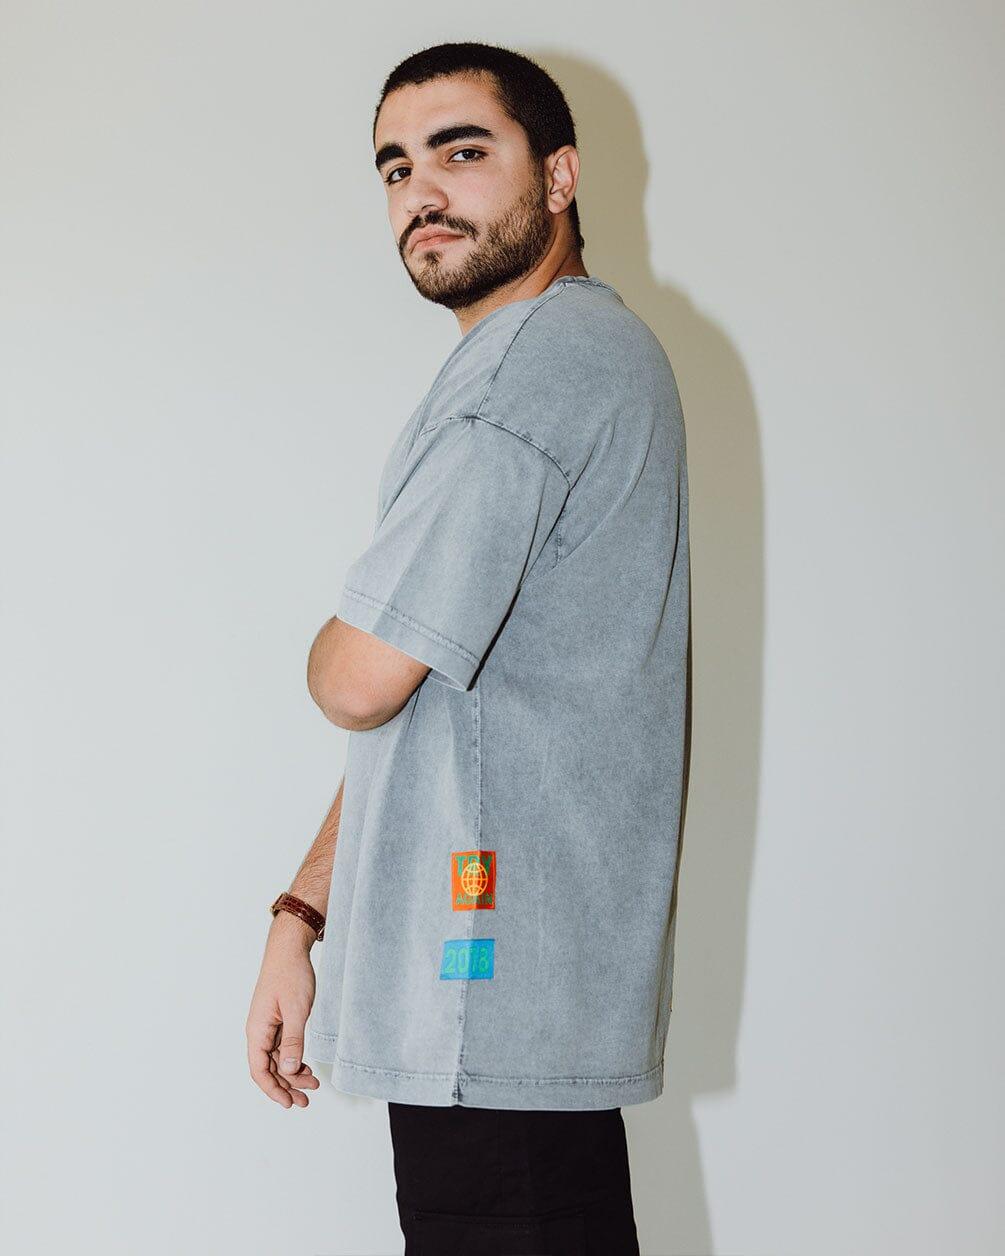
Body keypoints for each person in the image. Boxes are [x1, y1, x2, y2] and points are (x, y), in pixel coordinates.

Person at [246, 40, 691, 1255]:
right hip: (500, 1008)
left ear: (559, 176)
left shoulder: (535, 365)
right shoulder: (564, 356)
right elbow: (439, 696)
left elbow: (361, 677)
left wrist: (333, 639)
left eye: (461, 151)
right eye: (396, 167)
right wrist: (302, 908)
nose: (421, 190)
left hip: (483, 1001)